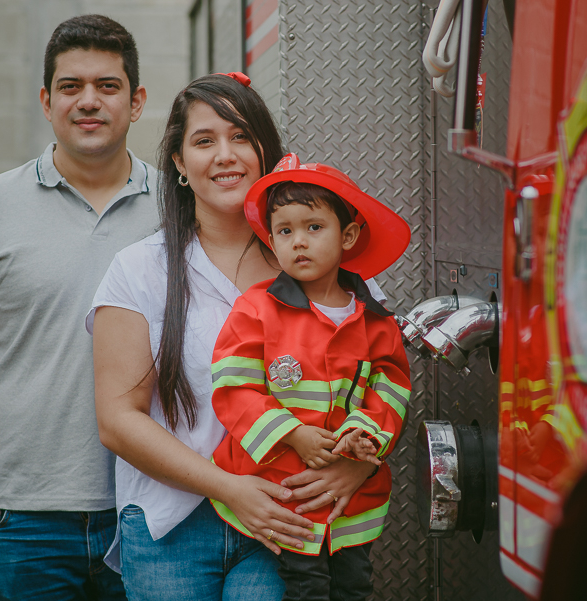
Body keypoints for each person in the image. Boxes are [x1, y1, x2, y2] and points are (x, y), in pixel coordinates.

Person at [89, 73, 390, 600]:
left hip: (290, 520)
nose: (224, 155)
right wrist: (228, 488)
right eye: (204, 141)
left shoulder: (323, 265)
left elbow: (383, 377)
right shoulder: (139, 269)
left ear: (265, 153)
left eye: (240, 137)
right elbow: (117, 421)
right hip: (171, 524)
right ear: (180, 165)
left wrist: (358, 466)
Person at [0, 14, 157, 599]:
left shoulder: (179, 208)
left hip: (152, 505)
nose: (89, 102)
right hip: (20, 516)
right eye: (71, 87)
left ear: (136, 102)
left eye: (108, 86)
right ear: (46, 101)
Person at [209, 153, 412, 601]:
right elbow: (233, 387)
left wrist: (363, 439)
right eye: (285, 231)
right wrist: (294, 433)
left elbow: (391, 389)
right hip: (286, 493)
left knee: (354, 585)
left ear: (349, 235)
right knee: (305, 589)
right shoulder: (256, 309)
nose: (298, 241)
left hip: (350, 500)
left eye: (314, 227)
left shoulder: (377, 322)